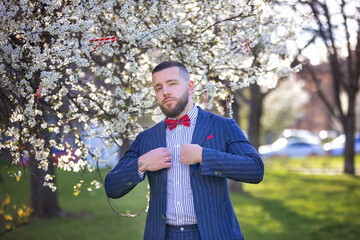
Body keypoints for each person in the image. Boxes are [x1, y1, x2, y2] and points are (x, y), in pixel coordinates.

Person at [105, 61, 264, 240]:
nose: (165, 91)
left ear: (190, 87)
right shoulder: (146, 138)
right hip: (163, 235)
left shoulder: (223, 126)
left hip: (214, 233)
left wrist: (203, 156)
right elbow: (111, 187)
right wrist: (142, 164)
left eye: (172, 84)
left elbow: (255, 169)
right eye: (158, 88)